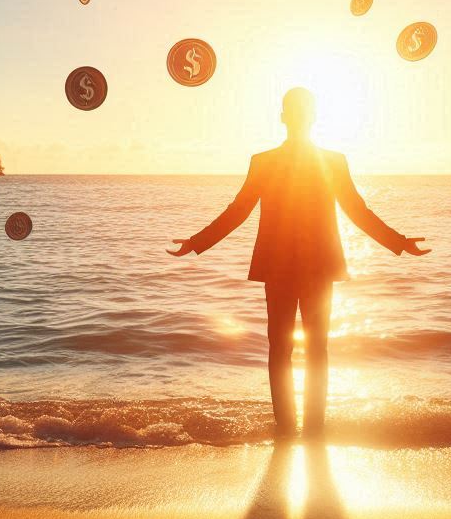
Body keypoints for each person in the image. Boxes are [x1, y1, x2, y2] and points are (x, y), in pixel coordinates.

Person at [168, 87, 429, 438]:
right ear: (313, 117)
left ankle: (287, 427)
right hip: (317, 264)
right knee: (316, 347)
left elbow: (238, 212)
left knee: (281, 347)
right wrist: (398, 242)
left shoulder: (267, 161)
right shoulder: (330, 161)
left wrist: (197, 243)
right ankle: (314, 428)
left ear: (283, 116)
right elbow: (357, 211)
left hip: (280, 265)